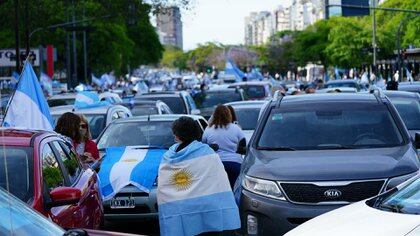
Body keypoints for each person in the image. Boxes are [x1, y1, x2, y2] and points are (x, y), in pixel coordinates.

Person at [157, 117, 240, 236]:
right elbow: (219, 180)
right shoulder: (208, 152)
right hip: (208, 210)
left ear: (177, 136)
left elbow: (164, 185)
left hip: (180, 210)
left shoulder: (168, 158)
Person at [202, 105, 246, 189]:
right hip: (234, 163)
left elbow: (204, 144)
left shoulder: (209, 129)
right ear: (229, 114)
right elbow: (243, 144)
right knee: (235, 189)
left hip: (215, 164)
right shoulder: (236, 128)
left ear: (214, 115)